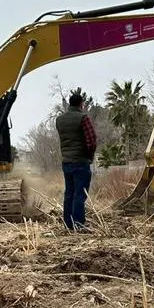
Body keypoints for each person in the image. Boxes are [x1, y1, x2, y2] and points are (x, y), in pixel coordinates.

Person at [55, 91, 97, 231]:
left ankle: (68, 224)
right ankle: (78, 224)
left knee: (69, 193)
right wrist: (89, 157)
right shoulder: (83, 118)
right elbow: (91, 141)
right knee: (80, 194)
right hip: (80, 161)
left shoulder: (59, 120)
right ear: (81, 104)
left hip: (66, 162)